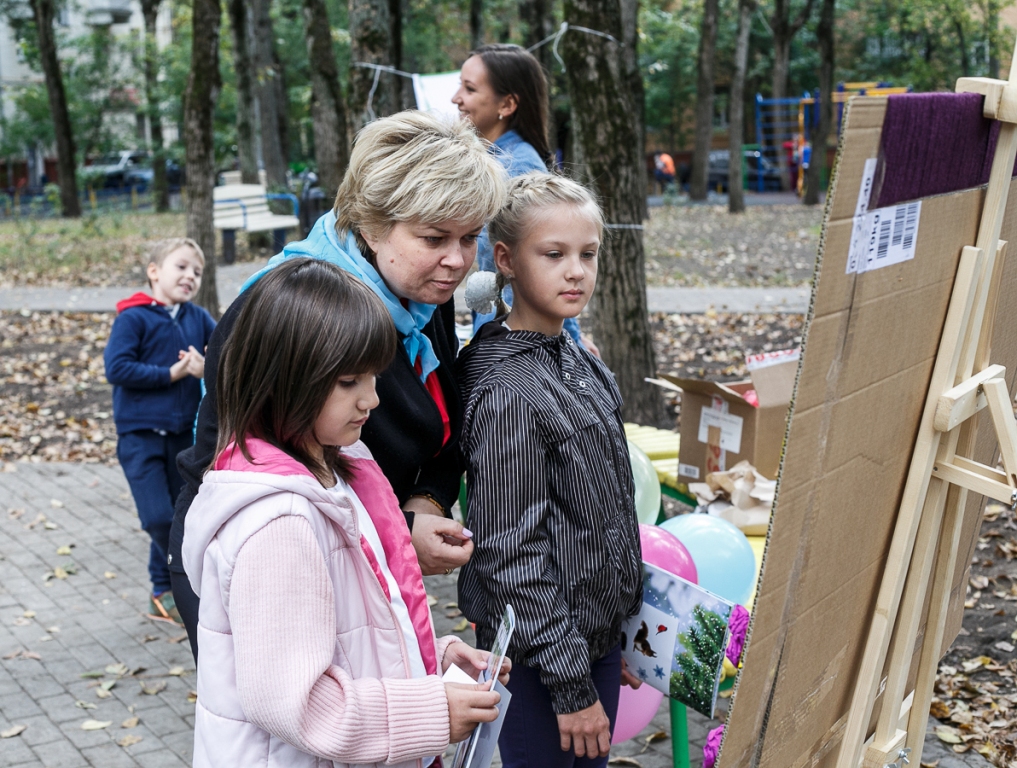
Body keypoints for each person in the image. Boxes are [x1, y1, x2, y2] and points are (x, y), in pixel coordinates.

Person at [168, 111, 507, 661]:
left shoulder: (419, 290)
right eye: (434, 237)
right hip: (275, 586)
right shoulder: (287, 313)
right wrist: (397, 527)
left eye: (470, 238)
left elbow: (447, 423)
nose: (457, 261)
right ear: (370, 225)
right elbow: (242, 483)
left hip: (361, 570)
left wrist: (421, 505)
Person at [183, 257, 509, 767]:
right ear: (284, 379)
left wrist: (432, 659)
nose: (372, 399)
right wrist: (431, 709)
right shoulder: (280, 526)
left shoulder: (335, 470)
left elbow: (345, 632)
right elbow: (299, 702)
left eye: (373, 377)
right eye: (349, 382)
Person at [455, 173, 643, 768]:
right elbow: (511, 553)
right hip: (539, 662)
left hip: (595, 643)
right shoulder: (508, 388)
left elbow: (609, 513)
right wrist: (570, 687)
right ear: (506, 260)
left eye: (587, 254)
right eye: (554, 254)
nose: (576, 272)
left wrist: (622, 632)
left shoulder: (579, 360)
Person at [452, 43, 595, 354]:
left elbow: (539, 272)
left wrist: (570, 341)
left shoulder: (517, 168)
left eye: (470, 88)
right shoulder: (495, 161)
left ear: (507, 104)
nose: (456, 98)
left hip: (520, 347)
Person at [103, 237, 215, 624]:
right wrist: (170, 374)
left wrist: (206, 367)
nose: (190, 276)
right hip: (140, 434)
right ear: (154, 272)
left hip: (184, 436)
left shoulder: (197, 318)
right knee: (157, 518)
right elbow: (117, 368)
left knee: (180, 512)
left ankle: (163, 589)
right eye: (181, 267)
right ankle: (176, 578)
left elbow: (222, 353)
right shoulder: (133, 318)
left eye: (197, 272)